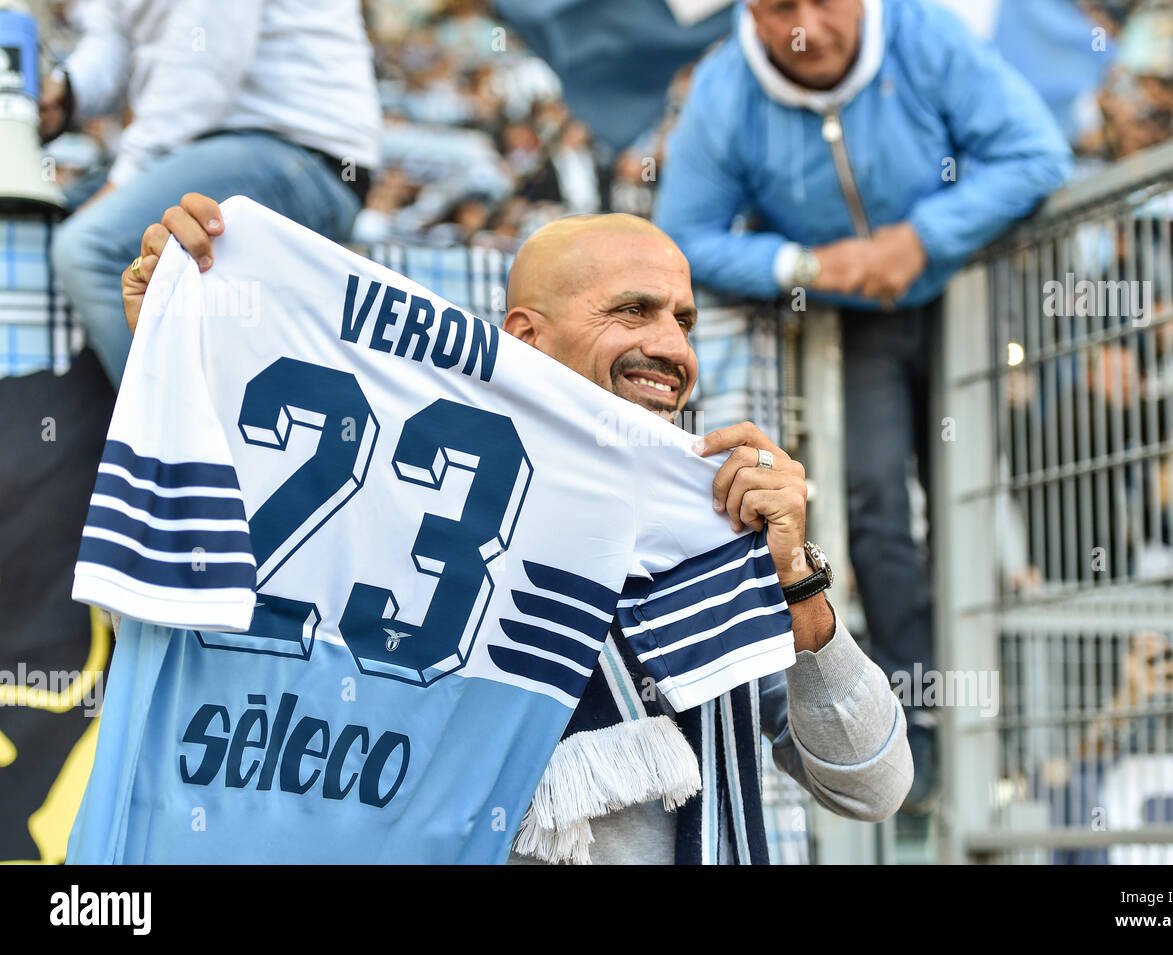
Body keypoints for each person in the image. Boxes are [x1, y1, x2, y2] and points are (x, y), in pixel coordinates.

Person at [111, 193, 914, 864]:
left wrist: (798, 586)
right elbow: (210, 635)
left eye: (683, 319)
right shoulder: (408, 498)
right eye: (632, 311)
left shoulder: (713, 520)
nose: (671, 347)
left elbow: (872, 787)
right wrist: (187, 344)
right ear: (526, 338)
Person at [654, 0, 1073, 812]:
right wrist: (803, 263)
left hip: (963, 293)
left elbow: (1036, 154)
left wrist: (919, 238)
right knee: (877, 505)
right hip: (851, 323)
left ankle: (1007, 725)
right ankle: (921, 730)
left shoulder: (924, 34)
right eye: (781, 7)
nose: (809, 23)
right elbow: (684, 233)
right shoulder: (725, 88)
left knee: (985, 506)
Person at [41, 0, 381, 388]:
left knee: (87, 246)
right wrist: (66, 92)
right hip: (203, 148)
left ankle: (170, 439)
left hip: (305, 152)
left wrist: (121, 181)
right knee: (46, 217)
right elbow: (116, 41)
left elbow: (204, 64)